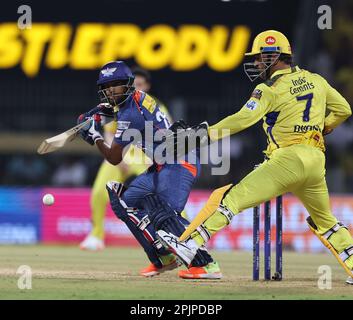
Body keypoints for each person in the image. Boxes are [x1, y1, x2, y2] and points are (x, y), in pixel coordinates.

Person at [157, 30, 353, 285]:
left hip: (287, 160)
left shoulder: (268, 89)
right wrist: (324, 127)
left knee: (230, 199)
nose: (256, 63)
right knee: (326, 221)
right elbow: (344, 109)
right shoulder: (316, 80)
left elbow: (243, 119)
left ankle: (190, 244)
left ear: (275, 57)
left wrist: (202, 134)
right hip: (316, 160)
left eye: (260, 58)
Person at [77, 61, 222, 279]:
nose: (109, 92)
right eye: (106, 87)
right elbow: (113, 107)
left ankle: (207, 264)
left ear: (127, 85)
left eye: (114, 86)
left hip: (180, 163)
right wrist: (95, 113)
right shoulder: (134, 99)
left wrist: (95, 136)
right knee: (123, 200)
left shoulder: (130, 116)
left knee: (164, 215)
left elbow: (114, 158)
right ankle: (164, 257)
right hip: (164, 163)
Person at [79, 67, 171, 252]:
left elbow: (167, 135)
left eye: (140, 84)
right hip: (121, 151)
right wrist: (119, 160)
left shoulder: (154, 106)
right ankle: (96, 236)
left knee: (166, 195)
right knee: (98, 192)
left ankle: (184, 236)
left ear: (147, 86)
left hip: (146, 154)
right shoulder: (120, 106)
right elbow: (110, 134)